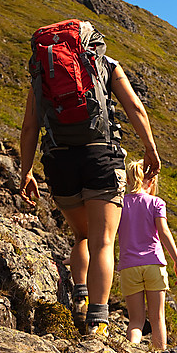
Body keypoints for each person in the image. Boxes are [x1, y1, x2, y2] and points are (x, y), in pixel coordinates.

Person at [19, 21, 161, 337]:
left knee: (82, 235)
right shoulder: (106, 66)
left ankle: (81, 294)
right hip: (101, 156)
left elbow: (29, 127)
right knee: (103, 242)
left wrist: (27, 171)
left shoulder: (41, 74)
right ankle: (97, 320)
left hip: (58, 160)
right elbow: (135, 108)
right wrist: (150, 150)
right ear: (91, 45)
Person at [118, 159, 177, 350]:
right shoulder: (156, 203)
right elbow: (164, 232)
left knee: (136, 321)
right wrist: (176, 260)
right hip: (154, 263)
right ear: (151, 181)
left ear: (129, 180)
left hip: (129, 267)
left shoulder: (120, 204)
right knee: (157, 319)